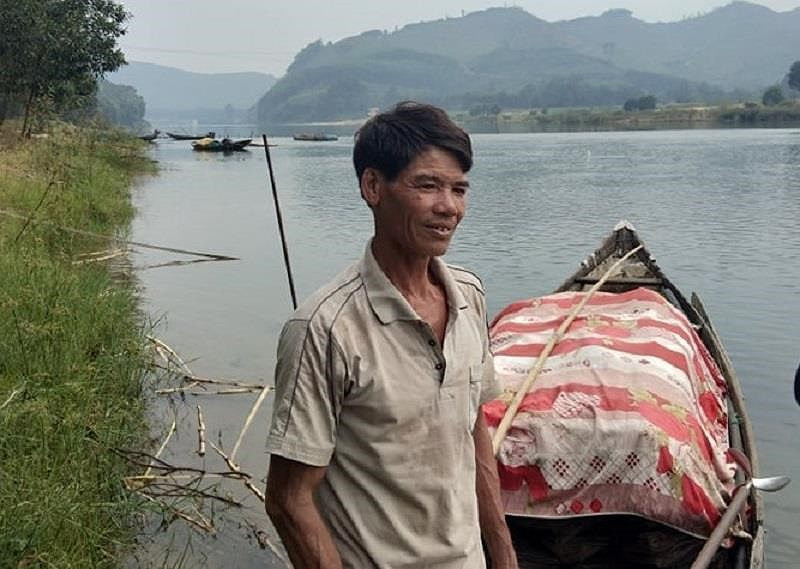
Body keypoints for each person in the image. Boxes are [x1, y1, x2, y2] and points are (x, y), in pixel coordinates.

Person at [264, 101, 518, 569]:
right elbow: (288, 500)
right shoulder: (325, 328)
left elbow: (473, 428)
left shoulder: (469, 294)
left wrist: (502, 553)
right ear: (373, 186)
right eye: (428, 186)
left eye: (459, 189)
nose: (449, 207)